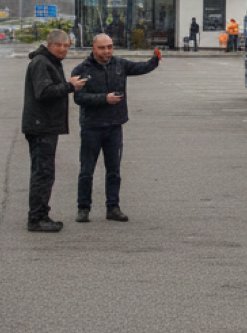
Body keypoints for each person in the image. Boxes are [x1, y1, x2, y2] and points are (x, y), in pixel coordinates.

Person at [71, 32, 160, 222]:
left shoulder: (119, 64)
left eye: (110, 47)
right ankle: (83, 208)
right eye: (102, 48)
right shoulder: (81, 69)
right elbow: (78, 97)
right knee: (87, 170)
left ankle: (113, 207)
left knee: (114, 170)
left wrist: (154, 60)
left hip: (114, 125)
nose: (107, 51)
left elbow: (140, 68)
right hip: (91, 127)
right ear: (93, 48)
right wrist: (105, 99)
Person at [21, 28, 88, 232]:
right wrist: (70, 86)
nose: (62, 49)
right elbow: (44, 92)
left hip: (44, 125)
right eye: (58, 45)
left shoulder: (49, 61)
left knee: (43, 172)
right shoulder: (41, 62)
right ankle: (36, 218)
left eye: (65, 46)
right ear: (49, 45)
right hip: (41, 126)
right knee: (43, 173)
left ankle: (40, 213)